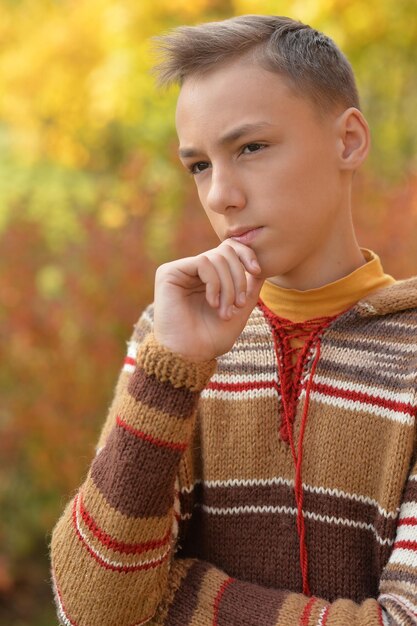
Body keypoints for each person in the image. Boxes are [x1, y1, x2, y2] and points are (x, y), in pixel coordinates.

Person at [50, 14, 417, 626]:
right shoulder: (168, 339)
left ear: (348, 140)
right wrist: (173, 371)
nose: (221, 194)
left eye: (251, 148)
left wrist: (172, 600)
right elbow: (92, 609)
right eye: (198, 165)